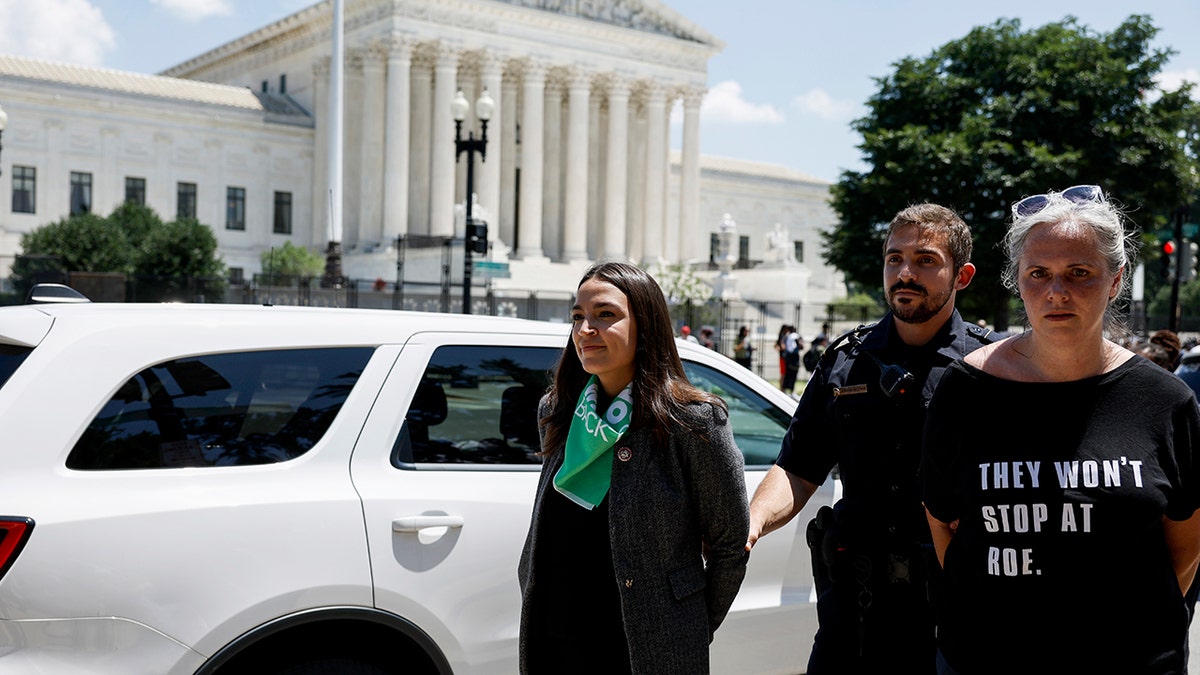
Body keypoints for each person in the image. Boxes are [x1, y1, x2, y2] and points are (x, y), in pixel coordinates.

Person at [921, 185, 1200, 674]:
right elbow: (943, 525)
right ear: (1018, 281)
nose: (1057, 291)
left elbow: (1186, 546)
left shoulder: (1167, 401)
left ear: (1115, 281)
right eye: (1038, 274)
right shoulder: (964, 392)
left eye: (1079, 273)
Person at [746, 203, 993, 674]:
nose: (905, 273)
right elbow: (797, 467)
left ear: (961, 276)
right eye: (894, 259)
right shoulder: (844, 361)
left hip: (954, 615)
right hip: (854, 610)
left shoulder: (993, 367)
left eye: (925, 260)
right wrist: (752, 523)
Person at [518, 260, 750, 674]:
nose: (585, 329)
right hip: (555, 643)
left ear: (646, 324)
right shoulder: (556, 411)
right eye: (577, 317)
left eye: (605, 315)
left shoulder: (694, 422)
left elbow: (730, 547)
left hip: (643, 652)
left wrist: (686, 625)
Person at [780, 325, 803, 395]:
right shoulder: (796, 336)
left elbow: (783, 346)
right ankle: (791, 390)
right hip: (794, 357)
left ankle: (784, 389)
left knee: (787, 374)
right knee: (793, 375)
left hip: (788, 357)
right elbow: (801, 346)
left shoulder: (787, 336)